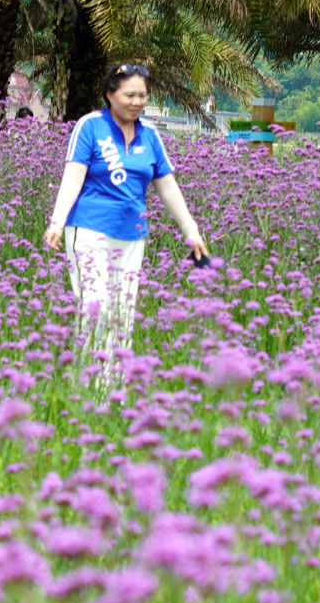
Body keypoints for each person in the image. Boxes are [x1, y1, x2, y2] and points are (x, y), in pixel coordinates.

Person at [42, 62, 209, 379]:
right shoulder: (90, 127)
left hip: (133, 237)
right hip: (88, 232)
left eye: (142, 96)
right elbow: (72, 177)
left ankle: (113, 390)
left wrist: (191, 231)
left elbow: (167, 186)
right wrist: (57, 222)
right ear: (110, 94)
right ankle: (88, 386)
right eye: (129, 95)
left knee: (122, 315)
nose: (137, 102)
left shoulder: (151, 135)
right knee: (96, 308)